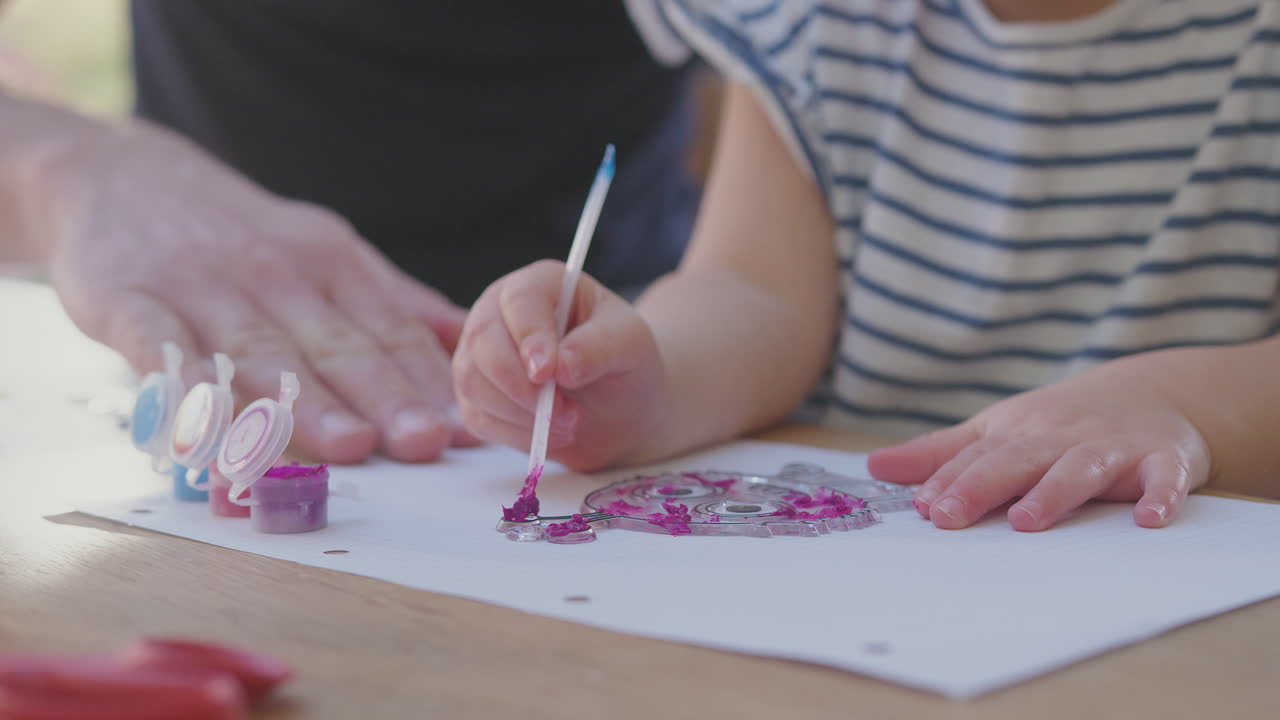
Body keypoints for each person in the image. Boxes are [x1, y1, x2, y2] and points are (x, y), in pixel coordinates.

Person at [452, 0, 1280, 532]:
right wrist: (652, 381)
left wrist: (1186, 407)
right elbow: (753, 290)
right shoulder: (813, 19)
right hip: (872, 586)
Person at [0, 0, 701, 464]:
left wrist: (691, 356)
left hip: (608, 361)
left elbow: (752, 118)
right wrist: (60, 165)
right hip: (196, 364)